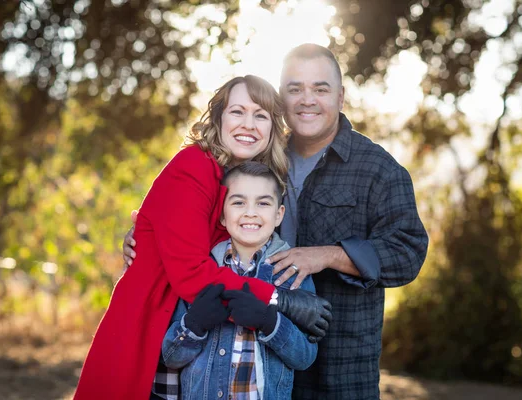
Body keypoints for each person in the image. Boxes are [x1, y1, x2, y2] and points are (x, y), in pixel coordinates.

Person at [124, 44, 429, 399]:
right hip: (255, 364)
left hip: (339, 365)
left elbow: (407, 254)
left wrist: (327, 255)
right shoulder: (260, 157)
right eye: (294, 89)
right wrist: (148, 238)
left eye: (320, 88)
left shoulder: (378, 169)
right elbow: (205, 224)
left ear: (341, 96)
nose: (307, 99)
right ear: (281, 99)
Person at [75, 75, 332, 400]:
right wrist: (280, 300)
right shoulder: (193, 166)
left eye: (261, 115)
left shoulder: (246, 182)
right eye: (237, 112)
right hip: (156, 320)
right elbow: (192, 276)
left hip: (203, 333)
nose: (248, 124)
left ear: (272, 128)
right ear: (219, 118)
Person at [162, 161, 317, 400]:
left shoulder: (291, 274)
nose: (250, 212)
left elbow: (305, 357)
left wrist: (270, 323)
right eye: (238, 202)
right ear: (222, 215)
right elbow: (171, 356)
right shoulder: (201, 269)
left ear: (279, 215)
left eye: (263, 203)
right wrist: (194, 325)